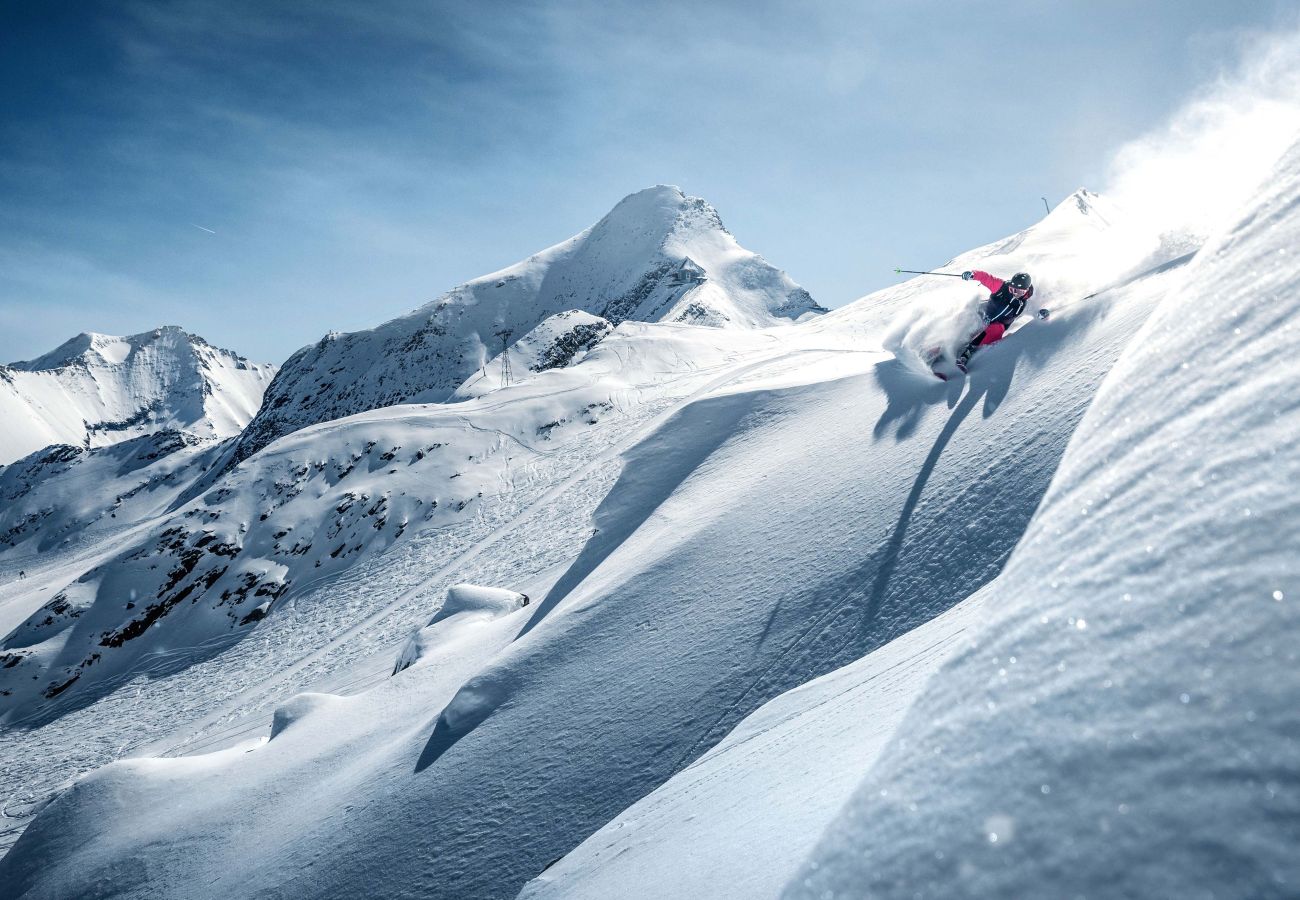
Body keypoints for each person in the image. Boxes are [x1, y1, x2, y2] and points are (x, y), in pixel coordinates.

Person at [955, 270, 1050, 371]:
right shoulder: (1001, 287)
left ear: (1026, 291)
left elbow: (1034, 310)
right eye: (1012, 289)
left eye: (1019, 291)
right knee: (969, 319)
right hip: (984, 313)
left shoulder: (1024, 303)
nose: (1015, 293)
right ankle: (946, 344)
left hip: (996, 326)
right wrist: (973, 274)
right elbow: (987, 278)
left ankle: (967, 354)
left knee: (995, 329)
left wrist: (1042, 313)